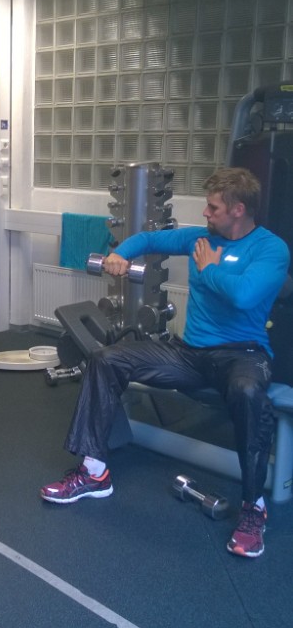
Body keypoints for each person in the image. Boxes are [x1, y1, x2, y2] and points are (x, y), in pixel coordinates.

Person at [40, 168, 290, 559]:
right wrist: (121, 254)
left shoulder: (270, 249)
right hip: (191, 354)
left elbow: (244, 296)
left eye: (213, 207)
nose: (205, 213)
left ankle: (253, 507)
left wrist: (210, 268)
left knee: (247, 392)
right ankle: (93, 472)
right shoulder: (199, 238)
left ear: (238, 209)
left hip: (243, 355)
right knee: (106, 359)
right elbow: (149, 238)